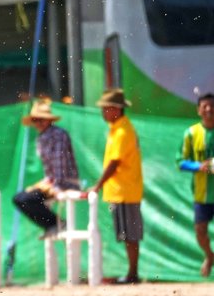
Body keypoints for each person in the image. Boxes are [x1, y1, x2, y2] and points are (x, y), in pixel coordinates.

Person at [90, 88, 143, 284]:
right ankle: (131, 273)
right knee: (128, 234)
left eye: (105, 108)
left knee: (130, 234)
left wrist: (97, 185)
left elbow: (114, 163)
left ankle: (132, 274)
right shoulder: (118, 128)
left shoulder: (122, 131)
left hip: (125, 190)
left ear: (116, 109)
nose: (103, 112)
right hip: (122, 190)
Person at [13, 99, 80, 239]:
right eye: (36, 120)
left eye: (41, 119)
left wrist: (55, 186)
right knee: (19, 198)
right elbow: (50, 170)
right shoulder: (42, 137)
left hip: (64, 182)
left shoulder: (58, 135)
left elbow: (59, 164)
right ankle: (53, 224)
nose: (38, 123)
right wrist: (46, 184)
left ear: (49, 120)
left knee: (25, 199)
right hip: (52, 182)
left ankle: (55, 223)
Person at [177, 92, 214, 277]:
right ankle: (209, 256)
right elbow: (180, 162)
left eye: (212, 106)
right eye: (205, 106)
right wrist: (199, 166)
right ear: (198, 110)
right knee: (200, 231)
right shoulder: (191, 134)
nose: (209, 109)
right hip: (202, 194)